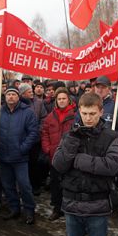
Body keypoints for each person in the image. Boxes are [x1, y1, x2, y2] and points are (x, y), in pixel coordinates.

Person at [53, 93, 118, 236]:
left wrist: (80, 160)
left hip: (98, 205)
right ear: (79, 112)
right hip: (72, 203)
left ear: (101, 112)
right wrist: (72, 144)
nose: (88, 118)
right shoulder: (70, 135)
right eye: (84, 113)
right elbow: (58, 164)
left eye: (92, 113)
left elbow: (112, 165)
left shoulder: (111, 136)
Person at [0, 87, 40, 224]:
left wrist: (22, 148)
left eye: (13, 94)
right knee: (8, 185)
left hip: (20, 157)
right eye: (8, 94)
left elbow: (33, 133)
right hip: (3, 157)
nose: (11, 97)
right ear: (5, 97)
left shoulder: (27, 112)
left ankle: (29, 210)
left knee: (24, 185)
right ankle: (14, 208)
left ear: (18, 97)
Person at [41, 87, 76, 221]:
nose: (61, 101)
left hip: (70, 157)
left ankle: (69, 210)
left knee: (70, 184)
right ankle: (57, 208)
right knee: (55, 184)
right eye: (59, 99)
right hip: (54, 156)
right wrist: (47, 149)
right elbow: (44, 133)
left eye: (64, 98)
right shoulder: (50, 116)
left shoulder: (75, 115)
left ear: (68, 100)